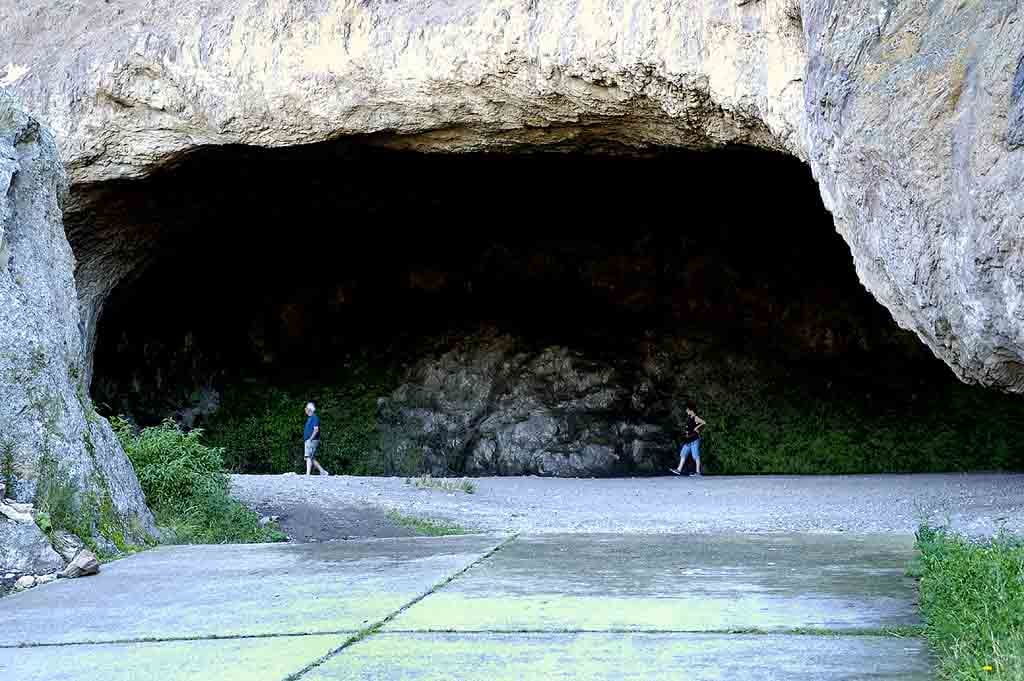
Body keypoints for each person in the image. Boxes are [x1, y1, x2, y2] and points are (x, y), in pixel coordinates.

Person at [670, 400, 706, 476]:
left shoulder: (695, 417)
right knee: (683, 454)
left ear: (691, 410)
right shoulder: (689, 417)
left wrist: (697, 428)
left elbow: (704, 422)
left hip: (694, 439)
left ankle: (698, 472)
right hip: (688, 439)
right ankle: (678, 470)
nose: (686, 411)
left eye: (687, 410)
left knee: (695, 455)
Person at [303, 402, 329, 476]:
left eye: (306, 408)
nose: (305, 410)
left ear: (310, 409)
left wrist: (310, 439)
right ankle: (323, 471)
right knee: (311, 458)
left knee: (308, 456)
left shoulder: (314, 417)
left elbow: (316, 430)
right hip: (309, 440)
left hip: (312, 440)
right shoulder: (310, 418)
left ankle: (307, 474)